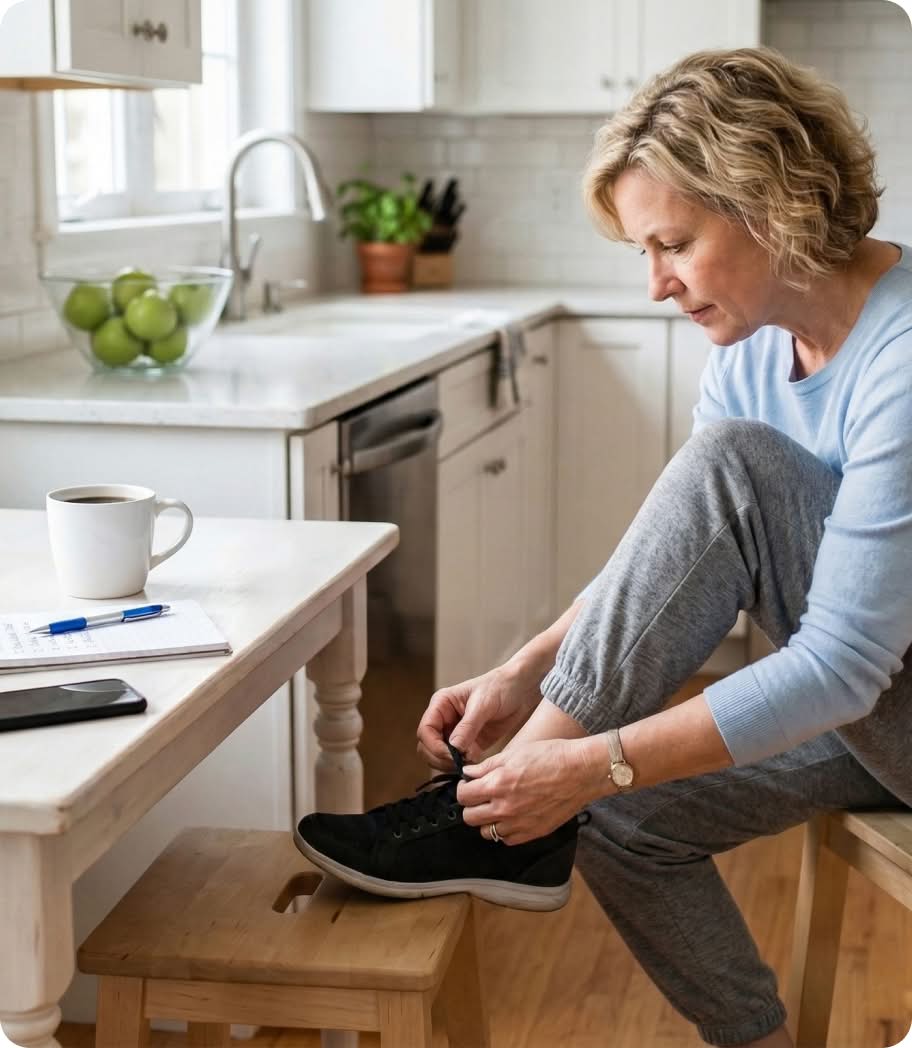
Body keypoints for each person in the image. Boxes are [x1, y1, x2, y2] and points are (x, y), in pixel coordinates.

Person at [296, 47, 912, 1048]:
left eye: (674, 243)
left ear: (774, 203)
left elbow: (842, 665)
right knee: (614, 816)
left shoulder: (903, 352)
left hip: (891, 712)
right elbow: (672, 562)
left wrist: (591, 760)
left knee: (728, 474)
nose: (658, 284)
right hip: (872, 722)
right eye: (644, 252)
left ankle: (479, 816)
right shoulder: (753, 342)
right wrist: (526, 670)